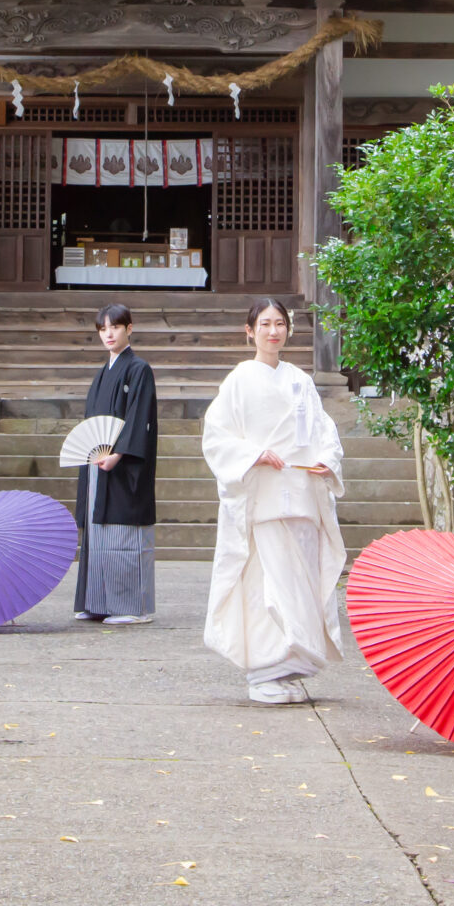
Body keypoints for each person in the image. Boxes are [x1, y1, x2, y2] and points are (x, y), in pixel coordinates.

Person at [201, 296, 346, 702]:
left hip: (301, 495)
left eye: (279, 323)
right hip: (263, 498)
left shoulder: (300, 380)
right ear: (250, 331)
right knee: (268, 587)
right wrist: (252, 455)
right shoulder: (238, 381)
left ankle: (287, 668)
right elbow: (217, 436)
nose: (273, 331)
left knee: (300, 585)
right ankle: (263, 672)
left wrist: (326, 460)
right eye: (264, 324)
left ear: (289, 328)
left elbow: (323, 430)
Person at [74, 303, 159, 623]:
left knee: (123, 534)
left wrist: (119, 454)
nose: (108, 334)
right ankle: (98, 601)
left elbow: (139, 419)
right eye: (102, 329)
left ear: (129, 329)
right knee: (98, 533)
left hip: (125, 465)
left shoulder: (138, 369)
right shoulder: (102, 374)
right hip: (98, 463)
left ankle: (133, 608)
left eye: (115, 327)